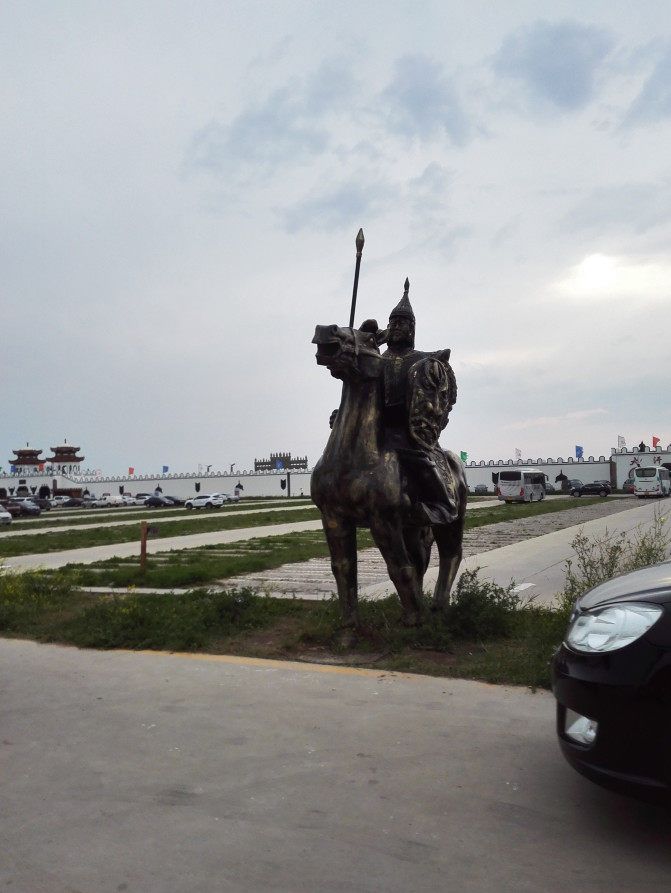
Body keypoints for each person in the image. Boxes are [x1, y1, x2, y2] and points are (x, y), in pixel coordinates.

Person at [379, 280, 457, 525]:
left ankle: (442, 504)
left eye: (401, 323)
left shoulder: (422, 360)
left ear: (411, 328)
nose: (395, 326)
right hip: (376, 426)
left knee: (419, 459)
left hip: (406, 429)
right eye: (392, 322)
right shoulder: (376, 360)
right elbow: (363, 393)